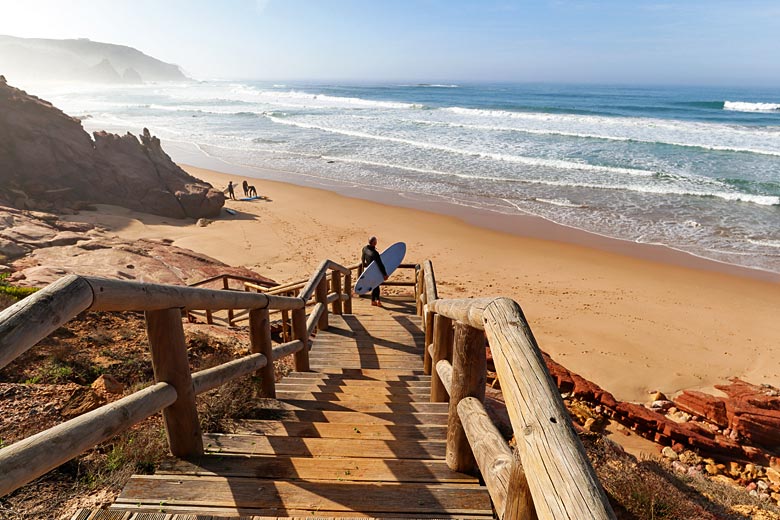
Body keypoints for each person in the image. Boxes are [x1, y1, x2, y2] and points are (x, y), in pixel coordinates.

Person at [361, 236, 388, 307]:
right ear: (374, 243)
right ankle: (377, 301)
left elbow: (362, 259)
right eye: (375, 241)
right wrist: (385, 274)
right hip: (375, 271)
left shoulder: (364, 249)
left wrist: (364, 270)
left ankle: (374, 301)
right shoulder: (375, 253)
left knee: (374, 285)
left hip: (369, 270)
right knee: (376, 285)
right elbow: (380, 264)